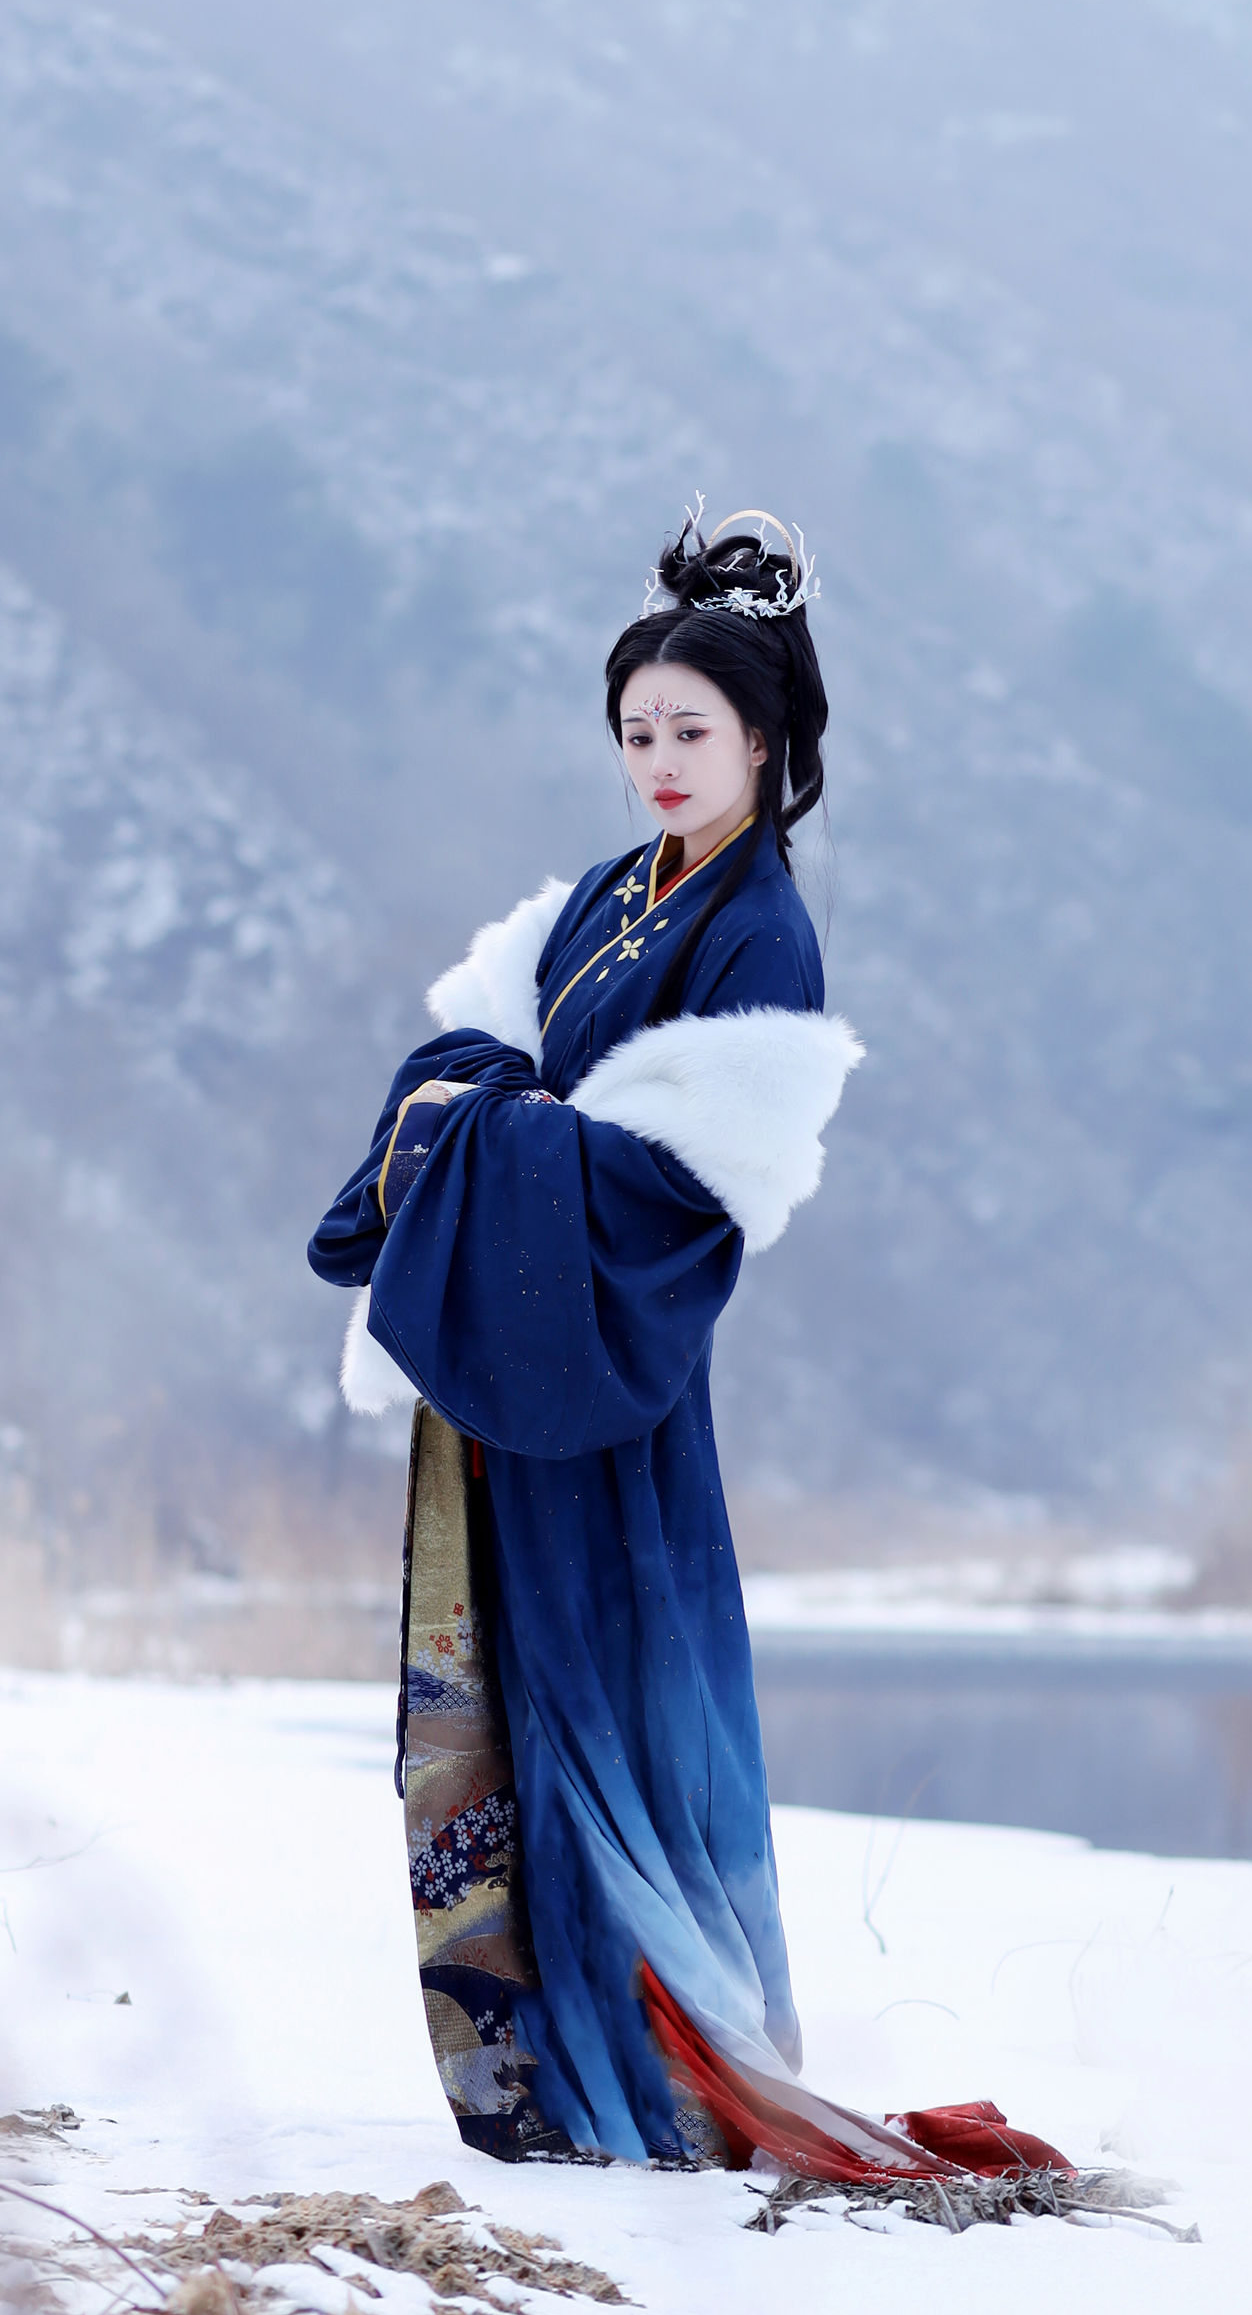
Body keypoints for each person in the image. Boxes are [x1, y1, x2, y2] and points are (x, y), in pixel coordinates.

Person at [307, 505, 856, 2167]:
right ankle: (534, 2067)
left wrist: (491, 1124)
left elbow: (677, 1187)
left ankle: (667, 2075)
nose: (662, 760)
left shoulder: (762, 930)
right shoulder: (603, 899)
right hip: (512, 1342)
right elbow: (469, 1060)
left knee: (617, 1707)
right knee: (518, 1692)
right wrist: (480, 1104)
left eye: (693, 730)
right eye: (637, 732)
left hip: (613, 1373)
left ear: (766, 738)